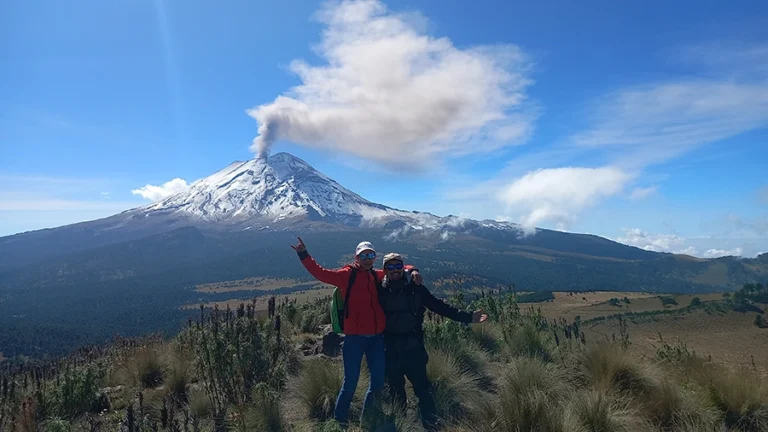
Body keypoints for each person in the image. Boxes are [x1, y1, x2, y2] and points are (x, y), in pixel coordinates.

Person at [290, 237, 421, 428]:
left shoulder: (376, 275)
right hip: (355, 339)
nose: (368, 259)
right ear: (356, 257)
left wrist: (414, 270)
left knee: (377, 383)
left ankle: (366, 419)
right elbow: (320, 273)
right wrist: (304, 254)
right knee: (350, 383)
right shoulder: (347, 275)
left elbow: (399, 267)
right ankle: (339, 422)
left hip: (377, 339)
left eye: (371, 255)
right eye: (364, 255)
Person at [377, 252, 487, 431]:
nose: (394, 270)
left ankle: (431, 425)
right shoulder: (379, 290)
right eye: (390, 267)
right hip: (390, 351)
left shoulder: (415, 288)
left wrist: (467, 317)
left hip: (414, 349)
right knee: (397, 393)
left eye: (398, 266)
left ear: (402, 268)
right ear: (384, 270)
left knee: (423, 390)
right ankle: (402, 426)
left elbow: (439, 306)